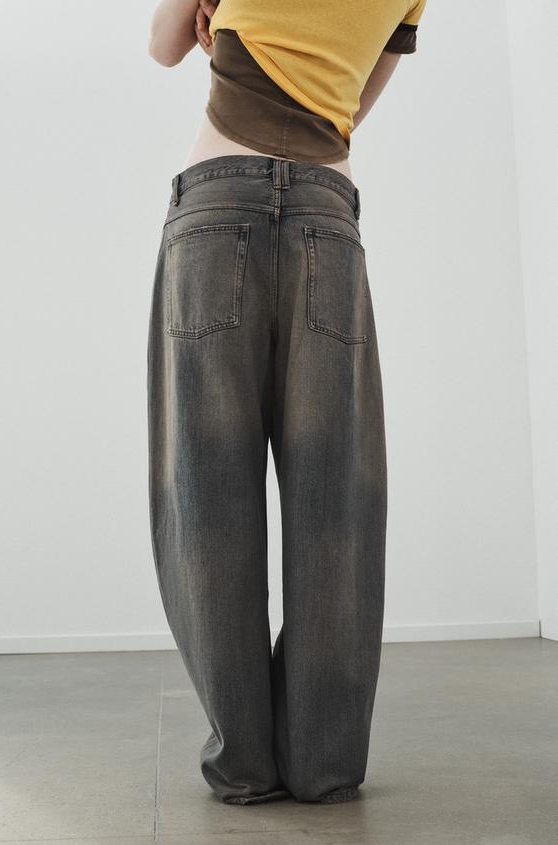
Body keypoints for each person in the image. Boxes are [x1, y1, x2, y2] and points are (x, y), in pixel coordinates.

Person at [146, 0, 427, 806]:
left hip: (215, 204)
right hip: (324, 216)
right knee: (336, 500)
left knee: (206, 495)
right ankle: (321, 762)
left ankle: (243, 763)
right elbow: (344, 113)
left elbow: (164, 46)